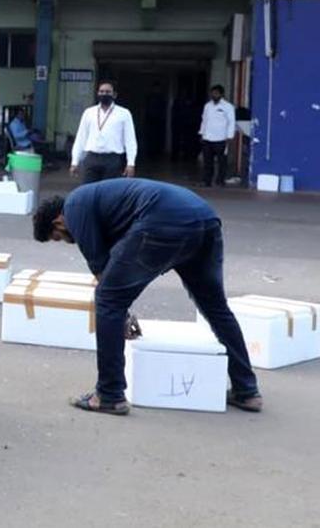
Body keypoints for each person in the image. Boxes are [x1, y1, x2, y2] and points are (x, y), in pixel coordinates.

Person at [32, 179, 262, 416]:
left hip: (164, 220)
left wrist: (120, 314)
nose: (68, 241)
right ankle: (247, 391)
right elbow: (117, 264)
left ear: (57, 221)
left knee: (107, 300)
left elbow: (103, 273)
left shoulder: (74, 208)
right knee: (215, 307)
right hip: (204, 218)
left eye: (58, 237)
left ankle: (109, 395)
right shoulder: (100, 204)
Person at [71, 80, 137, 184]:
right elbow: (80, 138)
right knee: (88, 191)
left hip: (112, 160)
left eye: (107, 92)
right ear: (97, 93)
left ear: (114, 95)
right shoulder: (89, 112)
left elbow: (130, 141)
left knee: (109, 194)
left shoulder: (124, 113)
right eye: (101, 91)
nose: (104, 94)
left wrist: (131, 163)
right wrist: (75, 161)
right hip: (91, 158)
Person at [199, 84, 236, 188]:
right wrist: (202, 133)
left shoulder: (228, 107)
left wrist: (230, 136)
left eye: (216, 93)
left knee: (222, 162)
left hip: (221, 138)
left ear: (221, 94)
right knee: (207, 162)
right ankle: (207, 181)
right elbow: (204, 120)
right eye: (212, 93)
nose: (214, 95)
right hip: (207, 138)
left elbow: (231, 122)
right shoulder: (207, 106)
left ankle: (220, 181)